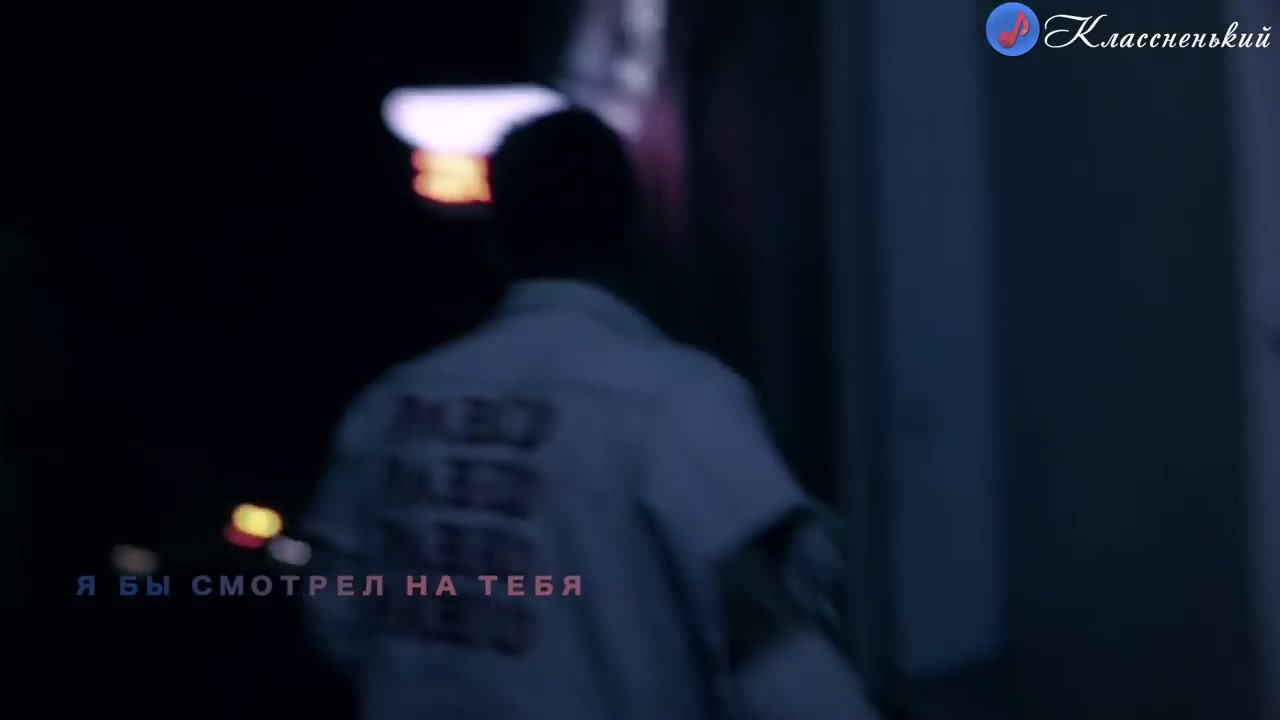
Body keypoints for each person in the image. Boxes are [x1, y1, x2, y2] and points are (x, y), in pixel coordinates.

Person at [299, 107, 878, 720]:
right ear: (637, 234)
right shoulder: (676, 400)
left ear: (495, 245)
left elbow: (334, 615)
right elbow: (766, 641)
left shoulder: (391, 404)